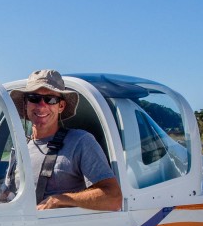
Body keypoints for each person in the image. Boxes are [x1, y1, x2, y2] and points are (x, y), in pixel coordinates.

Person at [9, 69, 121, 211]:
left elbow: (114, 198)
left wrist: (60, 200)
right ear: (26, 104)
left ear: (61, 106)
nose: (42, 105)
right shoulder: (20, 148)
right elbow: (7, 195)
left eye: (51, 99)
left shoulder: (81, 141)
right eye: (34, 98)